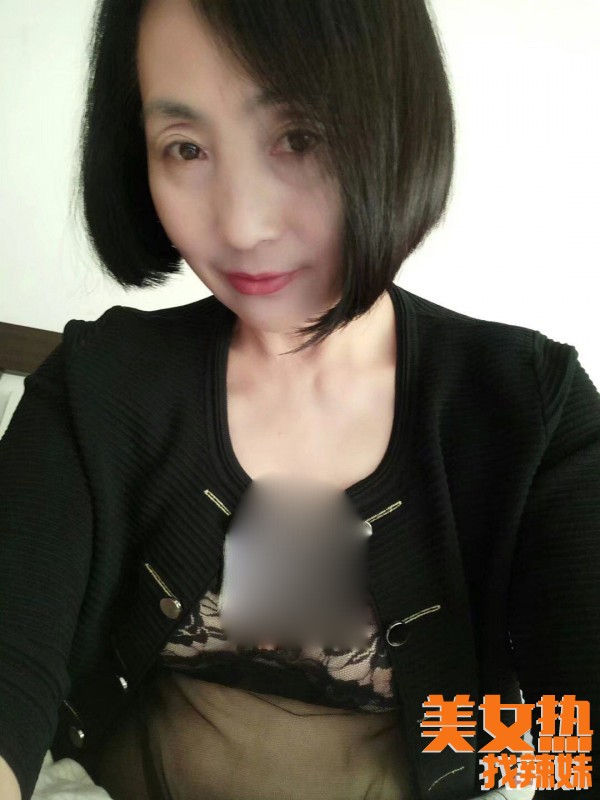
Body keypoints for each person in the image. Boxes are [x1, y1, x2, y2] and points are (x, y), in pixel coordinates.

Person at [0, 0, 598, 798]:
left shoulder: (529, 407)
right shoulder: (97, 384)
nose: (242, 226)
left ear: (401, 127)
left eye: (300, 138)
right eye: (186, 148)